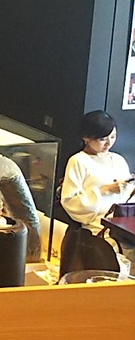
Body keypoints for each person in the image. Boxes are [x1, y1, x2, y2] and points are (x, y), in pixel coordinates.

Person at [60, 110, 135, 264]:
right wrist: (104, 190)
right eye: (102, 139)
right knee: (122, 250)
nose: (109, 143)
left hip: (122, 220)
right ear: (86, 138)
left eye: (113, 137)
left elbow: (128, 198)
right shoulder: (78, 161)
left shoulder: (118, 160)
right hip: (97, 223)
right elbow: (69, 201)